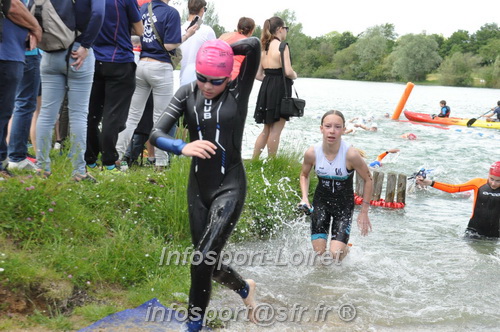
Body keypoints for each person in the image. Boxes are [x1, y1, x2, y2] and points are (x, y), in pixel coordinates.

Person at [149, 38, 260, 332]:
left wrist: (220, 49)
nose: (208, 86)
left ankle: (193, 327)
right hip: (198, 189)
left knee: (200, 261)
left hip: (230, 186)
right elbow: (155, 133)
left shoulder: (239, 91)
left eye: (216, 80)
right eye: (202, 78)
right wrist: (180, 147)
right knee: (208, 264)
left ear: (228, 77)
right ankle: (245, 288)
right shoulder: (187, 92)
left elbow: (254, 46)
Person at [115, 0, 198, 169]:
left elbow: (136, 35)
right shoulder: (171, 13)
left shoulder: (144, 8)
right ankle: (161, 161)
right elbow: (169, 45)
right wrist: (188, 35)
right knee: (161, 117)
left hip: (142, 64)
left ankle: (116, 156)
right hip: (160, 66)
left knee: (132, 116)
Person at [35, 0, 105, 182]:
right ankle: (78, 171)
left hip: (50, 53)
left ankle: (42, 167)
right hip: (78, 54)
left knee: (46, 114)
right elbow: (98, 13)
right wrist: (86, 45)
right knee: (79, 115)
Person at [299, 110, 373, 262]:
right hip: (321, 204)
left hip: (343, 207)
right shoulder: (312, 153)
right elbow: (304, 175)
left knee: (334, 256)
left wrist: (364, 211)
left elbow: (368, 179)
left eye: (337, 127)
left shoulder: (350, 155)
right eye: (328, 126)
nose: (332, 131)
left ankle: (345, 248)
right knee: (320, 256)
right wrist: (305, 198)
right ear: (321, 129)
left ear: (344, 130)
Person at [84, 0, 143, 174]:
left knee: (92, 114)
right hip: (119, 61)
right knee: (113, 114)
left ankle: (90, 160)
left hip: (94, 59)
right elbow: (140, 30)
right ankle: (109, 162)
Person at [0, 0, 41, 179]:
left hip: (12, 52)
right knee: (8, 110)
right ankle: (11, 159)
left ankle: (4, 162)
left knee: (8, 111)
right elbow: (12, 6)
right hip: (6, 53)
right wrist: (36, 27)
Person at [416, 161, 500, 239]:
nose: (493, 183)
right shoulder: (478, 183)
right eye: (491, 179)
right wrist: (430, 183)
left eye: (498, 181)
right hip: (473, 230)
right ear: (488, 175)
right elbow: (453, 188)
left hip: (494, 233)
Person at [252, 16, 297, 159]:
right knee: (276, 129)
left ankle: (254, 160)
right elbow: (288, 72)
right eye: (286, 29)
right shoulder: (283, 46)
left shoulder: (264, 47)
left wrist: (269, 81)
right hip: (280, 88)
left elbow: (258, 75)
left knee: (266, 129)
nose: (286, 32)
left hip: (266, 87)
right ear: (279, 29)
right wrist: (295, 75)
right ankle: (272, 163)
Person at [7, 43, 41, 170]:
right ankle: (17, 156)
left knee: (16, 106)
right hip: (28, 53)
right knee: (25, 105)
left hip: (11, 54)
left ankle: (11, 153)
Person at [179, 0, 215, 86]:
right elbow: (214, 56)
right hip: (201, 81)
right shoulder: (207, 31)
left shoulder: (179, 29)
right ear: (202, 9)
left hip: (183, 78)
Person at [219, 16, 256, 81]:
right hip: (235, 78)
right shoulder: (249, 44)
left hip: (216, 72)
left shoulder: (224, 36)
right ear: (251, 31)